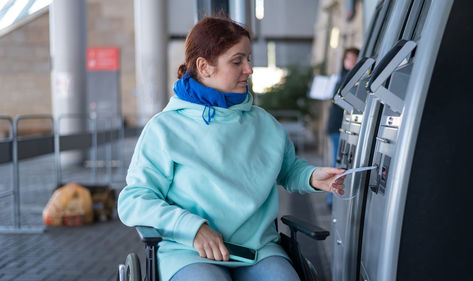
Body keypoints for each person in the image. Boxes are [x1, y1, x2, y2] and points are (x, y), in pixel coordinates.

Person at [118, 16, 345, 281]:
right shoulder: (165, 129)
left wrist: (312, 177)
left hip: (257, 250)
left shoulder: (264, 124)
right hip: (188, 249)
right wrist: (191, 228)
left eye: (249, 59)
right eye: (237, 61)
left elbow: (288, 169)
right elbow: (133, 199)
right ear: (204, 67)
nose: (249, 69)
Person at [325, 47, 359, 209]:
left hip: (338, 126)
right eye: (348, 58)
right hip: (338, 126)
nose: (350, 61)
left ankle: (332, 199)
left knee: (338, 162)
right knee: (337, 163)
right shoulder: (348, 79)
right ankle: (332, 199)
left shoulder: (344, 77)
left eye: (353, 58)